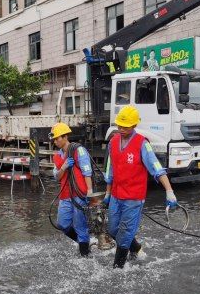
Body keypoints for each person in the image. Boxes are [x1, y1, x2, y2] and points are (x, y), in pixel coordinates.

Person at [103, 105, 179, 268]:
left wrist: (169, 191)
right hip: (116, 194)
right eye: (119, 125)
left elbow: (156, 168)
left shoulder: (142, 144)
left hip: (133, 197)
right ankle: (136, 248)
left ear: (134, 125)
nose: (121, 129)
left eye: (126, 126)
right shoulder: (113, 142)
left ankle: (117, 270)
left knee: (124, 235)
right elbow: (111, 169)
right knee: (112, 229)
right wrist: (107, 193)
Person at [51, 122, 94, 257]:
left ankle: (85, 254)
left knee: (81, 226)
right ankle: (85, 244)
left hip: (79, 194)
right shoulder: (57, 156)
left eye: (57, 138)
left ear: (65, 137)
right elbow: (57, 177)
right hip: (65, 195)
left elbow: (87, 171)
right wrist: (63, 167)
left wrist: (90, 191)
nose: (55, 141)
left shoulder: (78, 150)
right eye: (54, 139)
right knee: (62, 224)